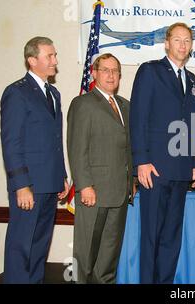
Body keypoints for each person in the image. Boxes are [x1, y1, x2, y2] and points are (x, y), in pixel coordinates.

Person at [130, 22, 195, 284]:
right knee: (152, 235)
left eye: (187, 40)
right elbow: (138, 118)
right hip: (155, 169)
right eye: (178, 40)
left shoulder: (192, 79)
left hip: (182, 170)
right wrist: (141, 161)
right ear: (167, 43)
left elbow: (194, 123)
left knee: (172, 237)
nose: (183, 45)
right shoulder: (150, 71)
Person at [0, 36, 69, 283]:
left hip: (50, 183)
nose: (55, 60)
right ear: (32, 60)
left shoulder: (54, 93)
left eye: (55, 55)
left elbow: (55, 140)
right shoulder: (16, 92)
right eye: (49, 56)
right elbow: (11, 143)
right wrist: (21, 185)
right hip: (28, 186)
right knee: (21, 248)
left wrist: (61, 176)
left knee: (40, 247)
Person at [67, 53, 134, 283]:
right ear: (94, 73)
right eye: (105, 70)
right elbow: (77, 148)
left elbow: (128, 149)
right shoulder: (83, 104)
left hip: (119, 194)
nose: (111, 75)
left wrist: (130, 182)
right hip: (93, 193)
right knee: (85, 258)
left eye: (115, 70)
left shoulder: (125, 105)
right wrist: (84, 185)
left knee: (108, 259)